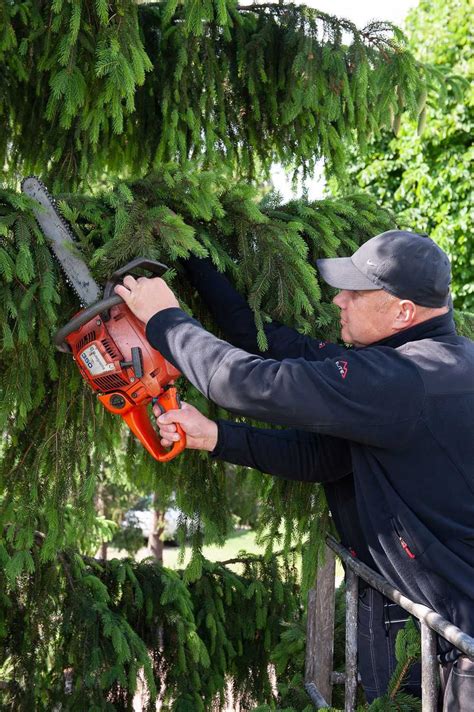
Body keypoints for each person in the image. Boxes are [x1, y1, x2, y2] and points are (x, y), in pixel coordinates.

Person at [115, 230, 474, 710]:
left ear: (402, 312)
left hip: (449, 648)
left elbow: (241, 382)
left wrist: (163, 318)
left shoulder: (400, 380)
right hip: (422, 622)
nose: (338, 300)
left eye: (355, 292)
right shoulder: (441, 362)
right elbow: (327, 458)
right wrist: (217, 437)